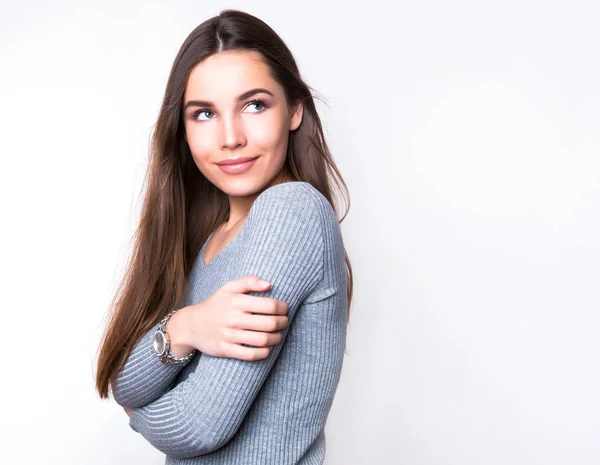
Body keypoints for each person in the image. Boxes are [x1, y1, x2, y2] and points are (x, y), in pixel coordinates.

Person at [95, 8, 353, 464]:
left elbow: (198, 425)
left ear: (294, 109)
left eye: (255, 105)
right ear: (183, 128)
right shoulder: (208, 242)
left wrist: (137, 412)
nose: (230, 137)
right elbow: (122, 379)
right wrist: (185, 326)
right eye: (204, 114)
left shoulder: (290, 211)